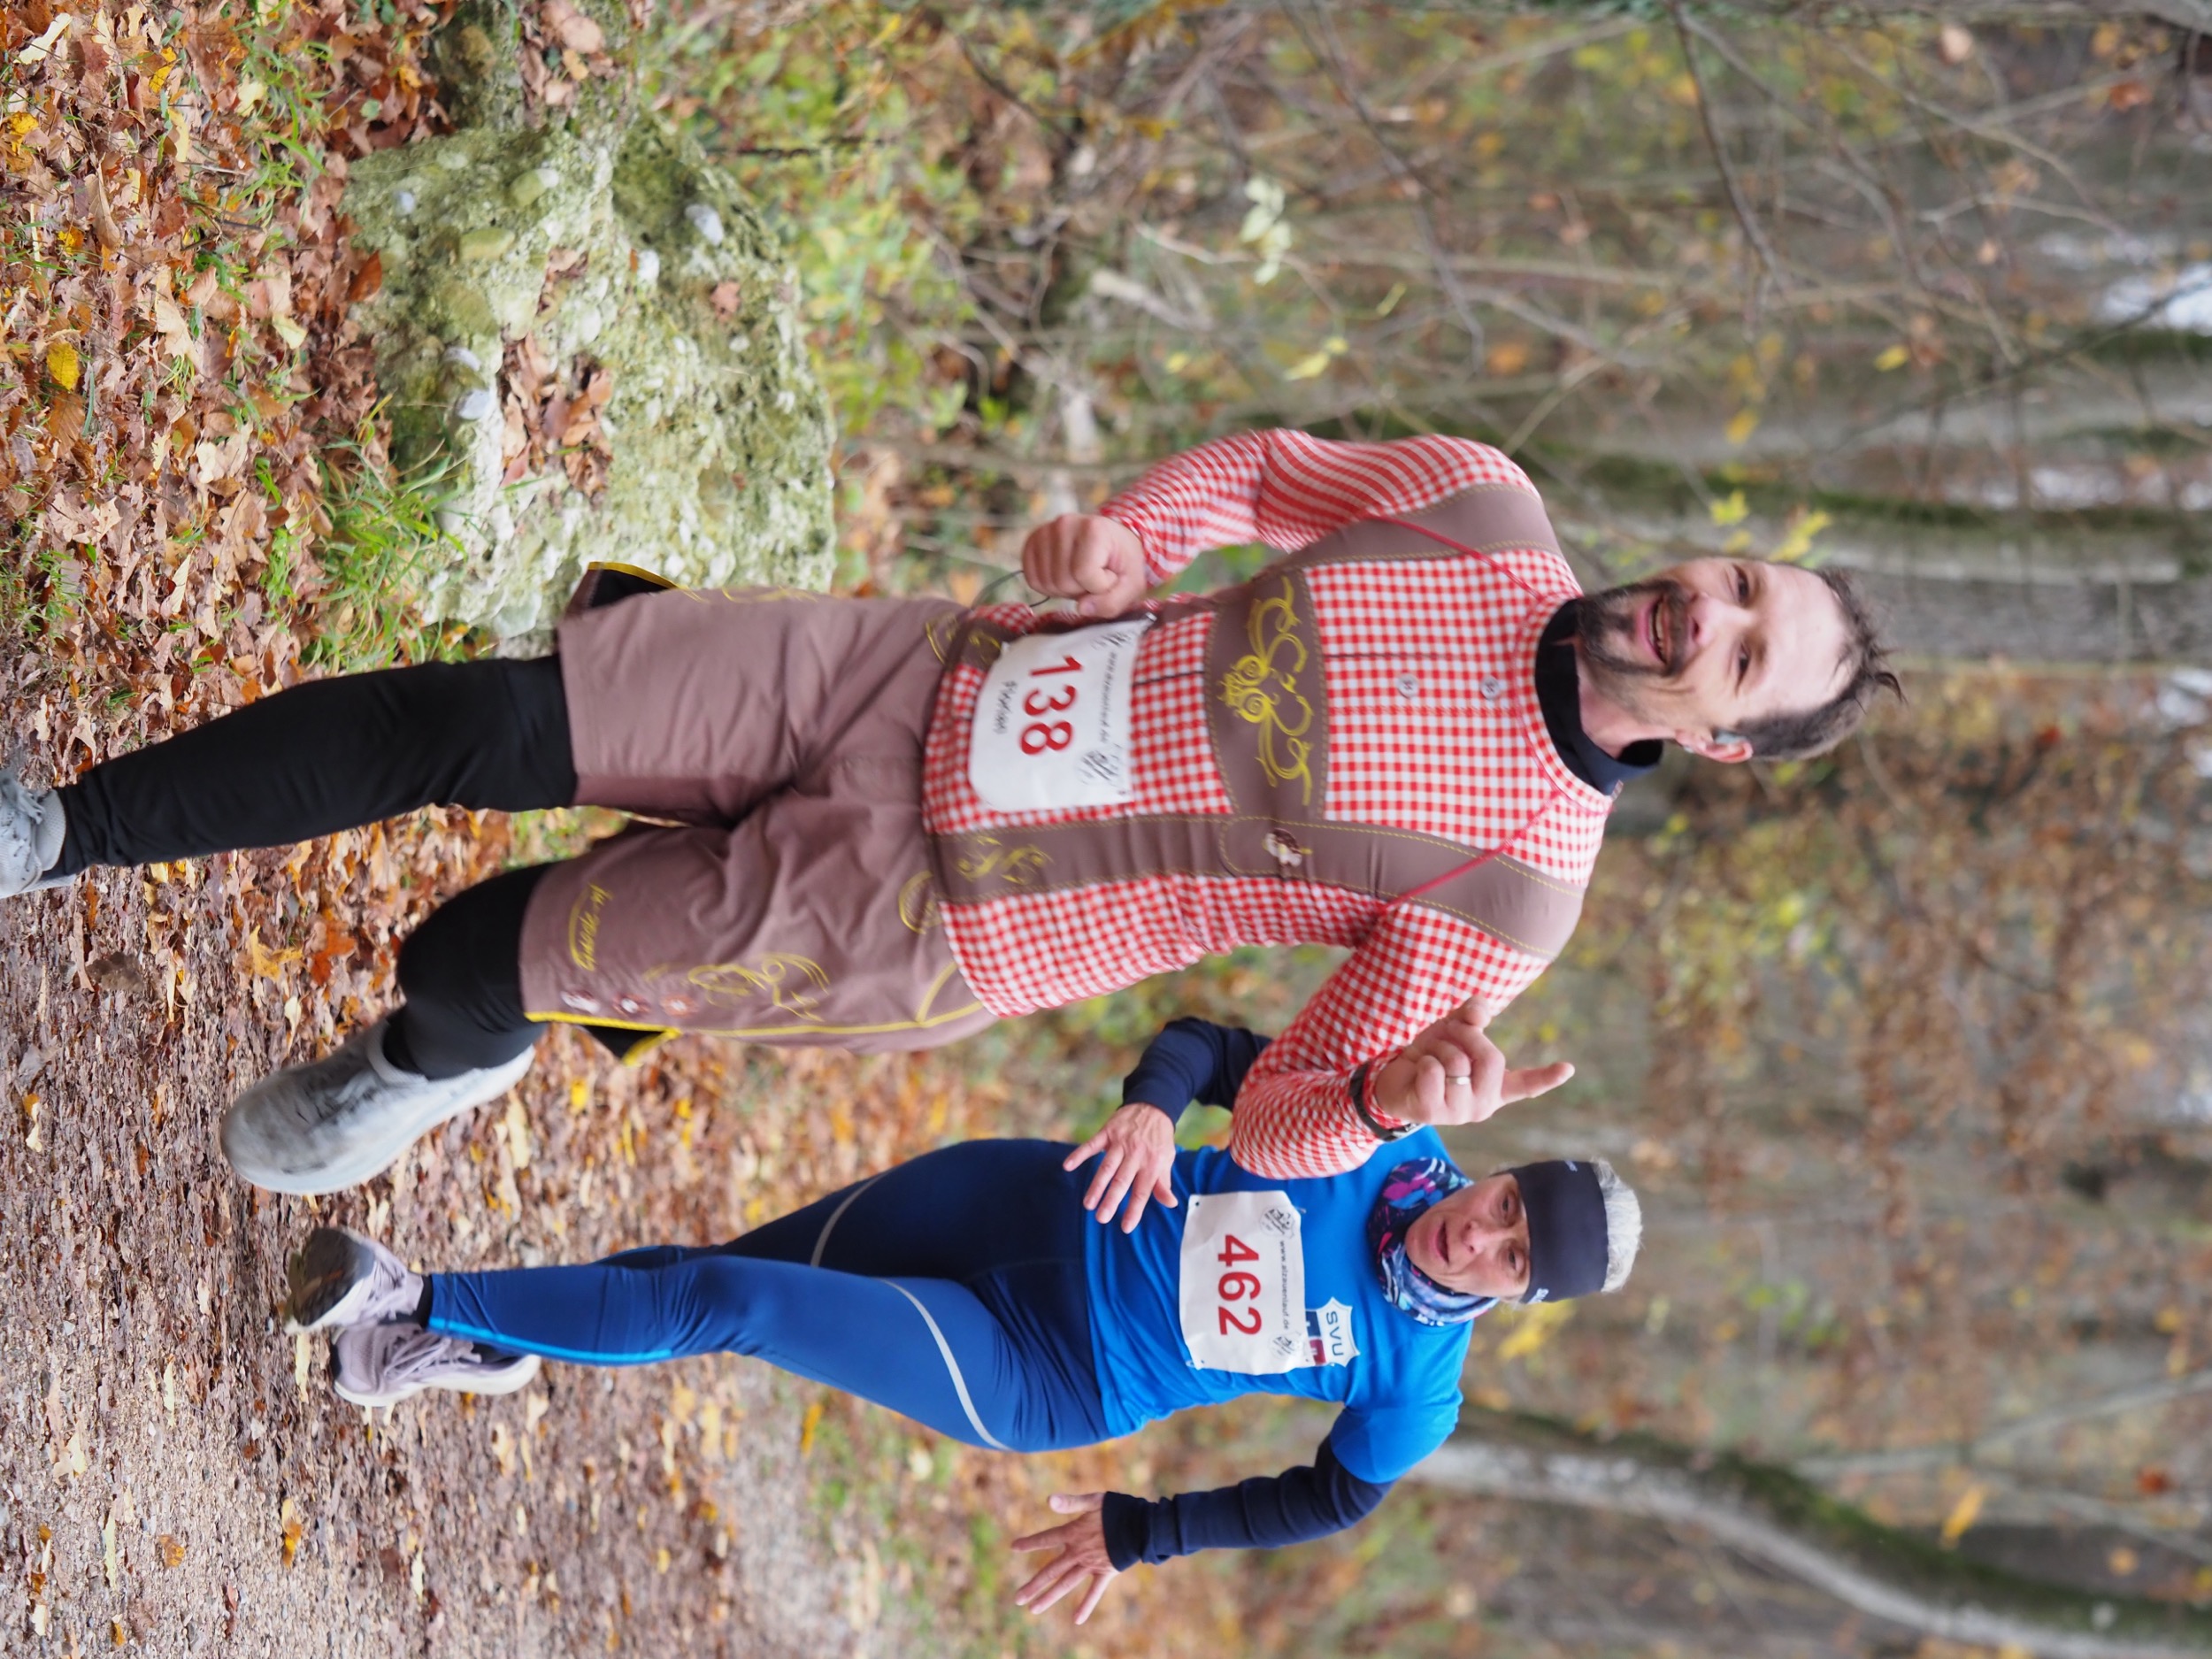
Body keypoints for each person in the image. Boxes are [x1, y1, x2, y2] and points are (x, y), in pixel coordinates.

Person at [0, 429, 1899, 1194]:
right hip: (913, 669)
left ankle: (427, 1057)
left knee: (473, 947)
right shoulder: (1480, 505)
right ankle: (57, 831)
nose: (1701, 610)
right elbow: (1262, 474)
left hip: (933, 911)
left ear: (1719, 739)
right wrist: (1128, 536)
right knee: (480, 720)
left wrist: (1397, 1103)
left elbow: (1282, 1118)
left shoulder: (1515, 899)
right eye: (1733, 578)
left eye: (1742, 652)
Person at [281, 1014, 1643, 1624]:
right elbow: (1214, 1045)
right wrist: (1154, 1108)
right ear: (1505, 1171)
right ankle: (458, 1349)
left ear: (1517, 1295)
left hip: (1041, 1371)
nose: (1486, 1233)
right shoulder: (1375, 1130)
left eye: (1515, 1256)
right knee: (702, 1278)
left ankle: (413, 1298)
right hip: (1013, 1200)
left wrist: (1144, 1531)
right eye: (1512, 1203)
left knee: (733, 1305)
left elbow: (1330, 1505)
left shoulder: (1420, 1387)